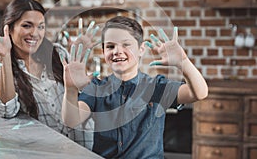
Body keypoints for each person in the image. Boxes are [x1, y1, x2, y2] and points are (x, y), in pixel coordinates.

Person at [61, 16, 208, 158]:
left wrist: (183, 62)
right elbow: (71, 120)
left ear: (141, 49)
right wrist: (71, 89)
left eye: (126, 44)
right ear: (104, 51)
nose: (117, 51)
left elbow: (199, 93)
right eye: (111, 46)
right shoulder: (96, 88)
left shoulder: (157, 86)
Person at [0, 0, 95, 149]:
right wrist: (5, 57)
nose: (35, 33)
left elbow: (83, 95)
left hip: (81, 147)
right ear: (9, 29)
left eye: (41, 27)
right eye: (27, 26)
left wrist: (81, 59)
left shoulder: (57, 54)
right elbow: (6, 110)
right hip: (44, 151)